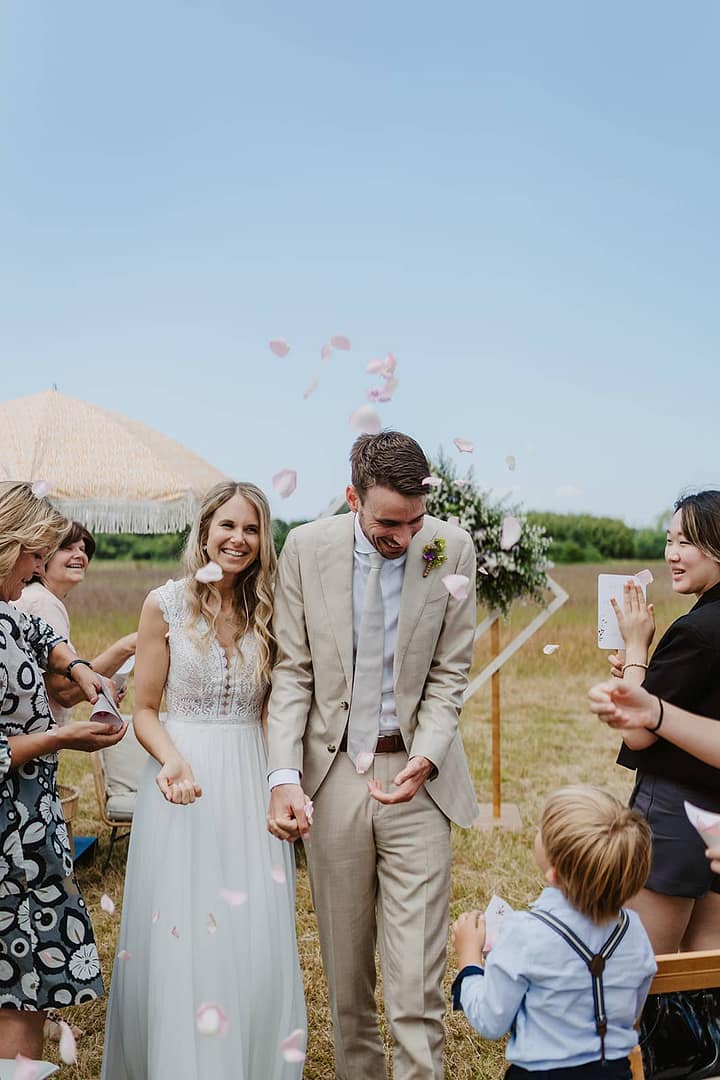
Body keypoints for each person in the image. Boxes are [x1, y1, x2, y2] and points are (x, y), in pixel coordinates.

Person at [266, 430, 478, 1080]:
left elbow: (449, 672)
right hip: (332, 777)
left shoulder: (450, 547)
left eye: (416, 520)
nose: (407, 537)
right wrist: (283, 776)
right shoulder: (305, 549)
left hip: (419, 778)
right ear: (352, 498)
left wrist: (430, 754)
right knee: (347, 977)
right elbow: (293, 672)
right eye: (389, 524)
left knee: (416, 984)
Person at [101, 481, 306, 1080]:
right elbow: (144, 709)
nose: (238, 539)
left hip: (250, 776)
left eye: (251, 529)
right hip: (181, 780)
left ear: (264, 540)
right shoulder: (163, 604)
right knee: (184, 927)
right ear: (205, 531)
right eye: (228, 526)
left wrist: (283, 780)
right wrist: (172, 759)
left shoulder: (271, 609)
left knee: (252, 926)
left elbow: (275, 710)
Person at [0, 481, 127, 1063]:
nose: (36, 570)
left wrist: (78, 667)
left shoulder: (10, 611)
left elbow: (42, 636)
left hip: (32, 821)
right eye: (33, 555)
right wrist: (61, 738)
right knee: (13, 980)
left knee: (26, 982)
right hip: (6, 831)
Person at [451, 786, 656, 1080]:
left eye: (541, 831)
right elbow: (634, 1010)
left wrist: (469, 960)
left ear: (554, 873)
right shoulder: (634, 930)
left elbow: (490, 1021)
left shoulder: (523, 932)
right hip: (614, 1072)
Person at [606, 490, 720, 952]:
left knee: (645, 965)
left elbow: (637, 729)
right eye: (669, 540)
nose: (671, 554)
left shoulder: (696, 631)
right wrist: (641, 676)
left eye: (686, 542)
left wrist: (637, 648)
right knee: (705, 960)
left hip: (675, 815)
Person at [17, 521, 136, 725]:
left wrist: (104, 681)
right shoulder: (42, 602)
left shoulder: (39, 598)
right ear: (43, 556)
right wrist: (128, 646)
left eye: (83, 549)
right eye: (67, 548)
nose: (79, 555)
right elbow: (64, 691)